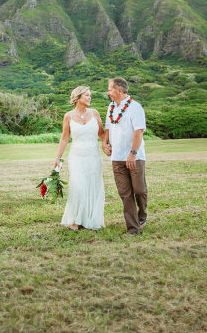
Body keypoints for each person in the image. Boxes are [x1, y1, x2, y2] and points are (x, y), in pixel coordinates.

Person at [53, 86, 106, 231]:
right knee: (78, 185)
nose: (90, 97)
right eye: (87, 95)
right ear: (78, 97)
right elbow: (64, 138)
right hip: (76, 156)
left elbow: (102, 134)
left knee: (93, 185)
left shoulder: (95, 113)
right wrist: (58, 157)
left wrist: (106, 144)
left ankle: (90, 219)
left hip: (93, 155)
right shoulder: (68, 116)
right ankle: (75, 220)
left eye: (90, 95)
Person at [103, 77, 148, 235]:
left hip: (134, 157)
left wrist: (132, 154)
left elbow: (139, 132)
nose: (108, 93)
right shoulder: (111, 107)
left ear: (119, 90)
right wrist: (104, 143)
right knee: (125, 193)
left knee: (139, 190)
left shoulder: (135, 107)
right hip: (117, 158)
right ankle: (133, 228)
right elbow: (108, 126)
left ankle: (142, 216)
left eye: (110, 89)